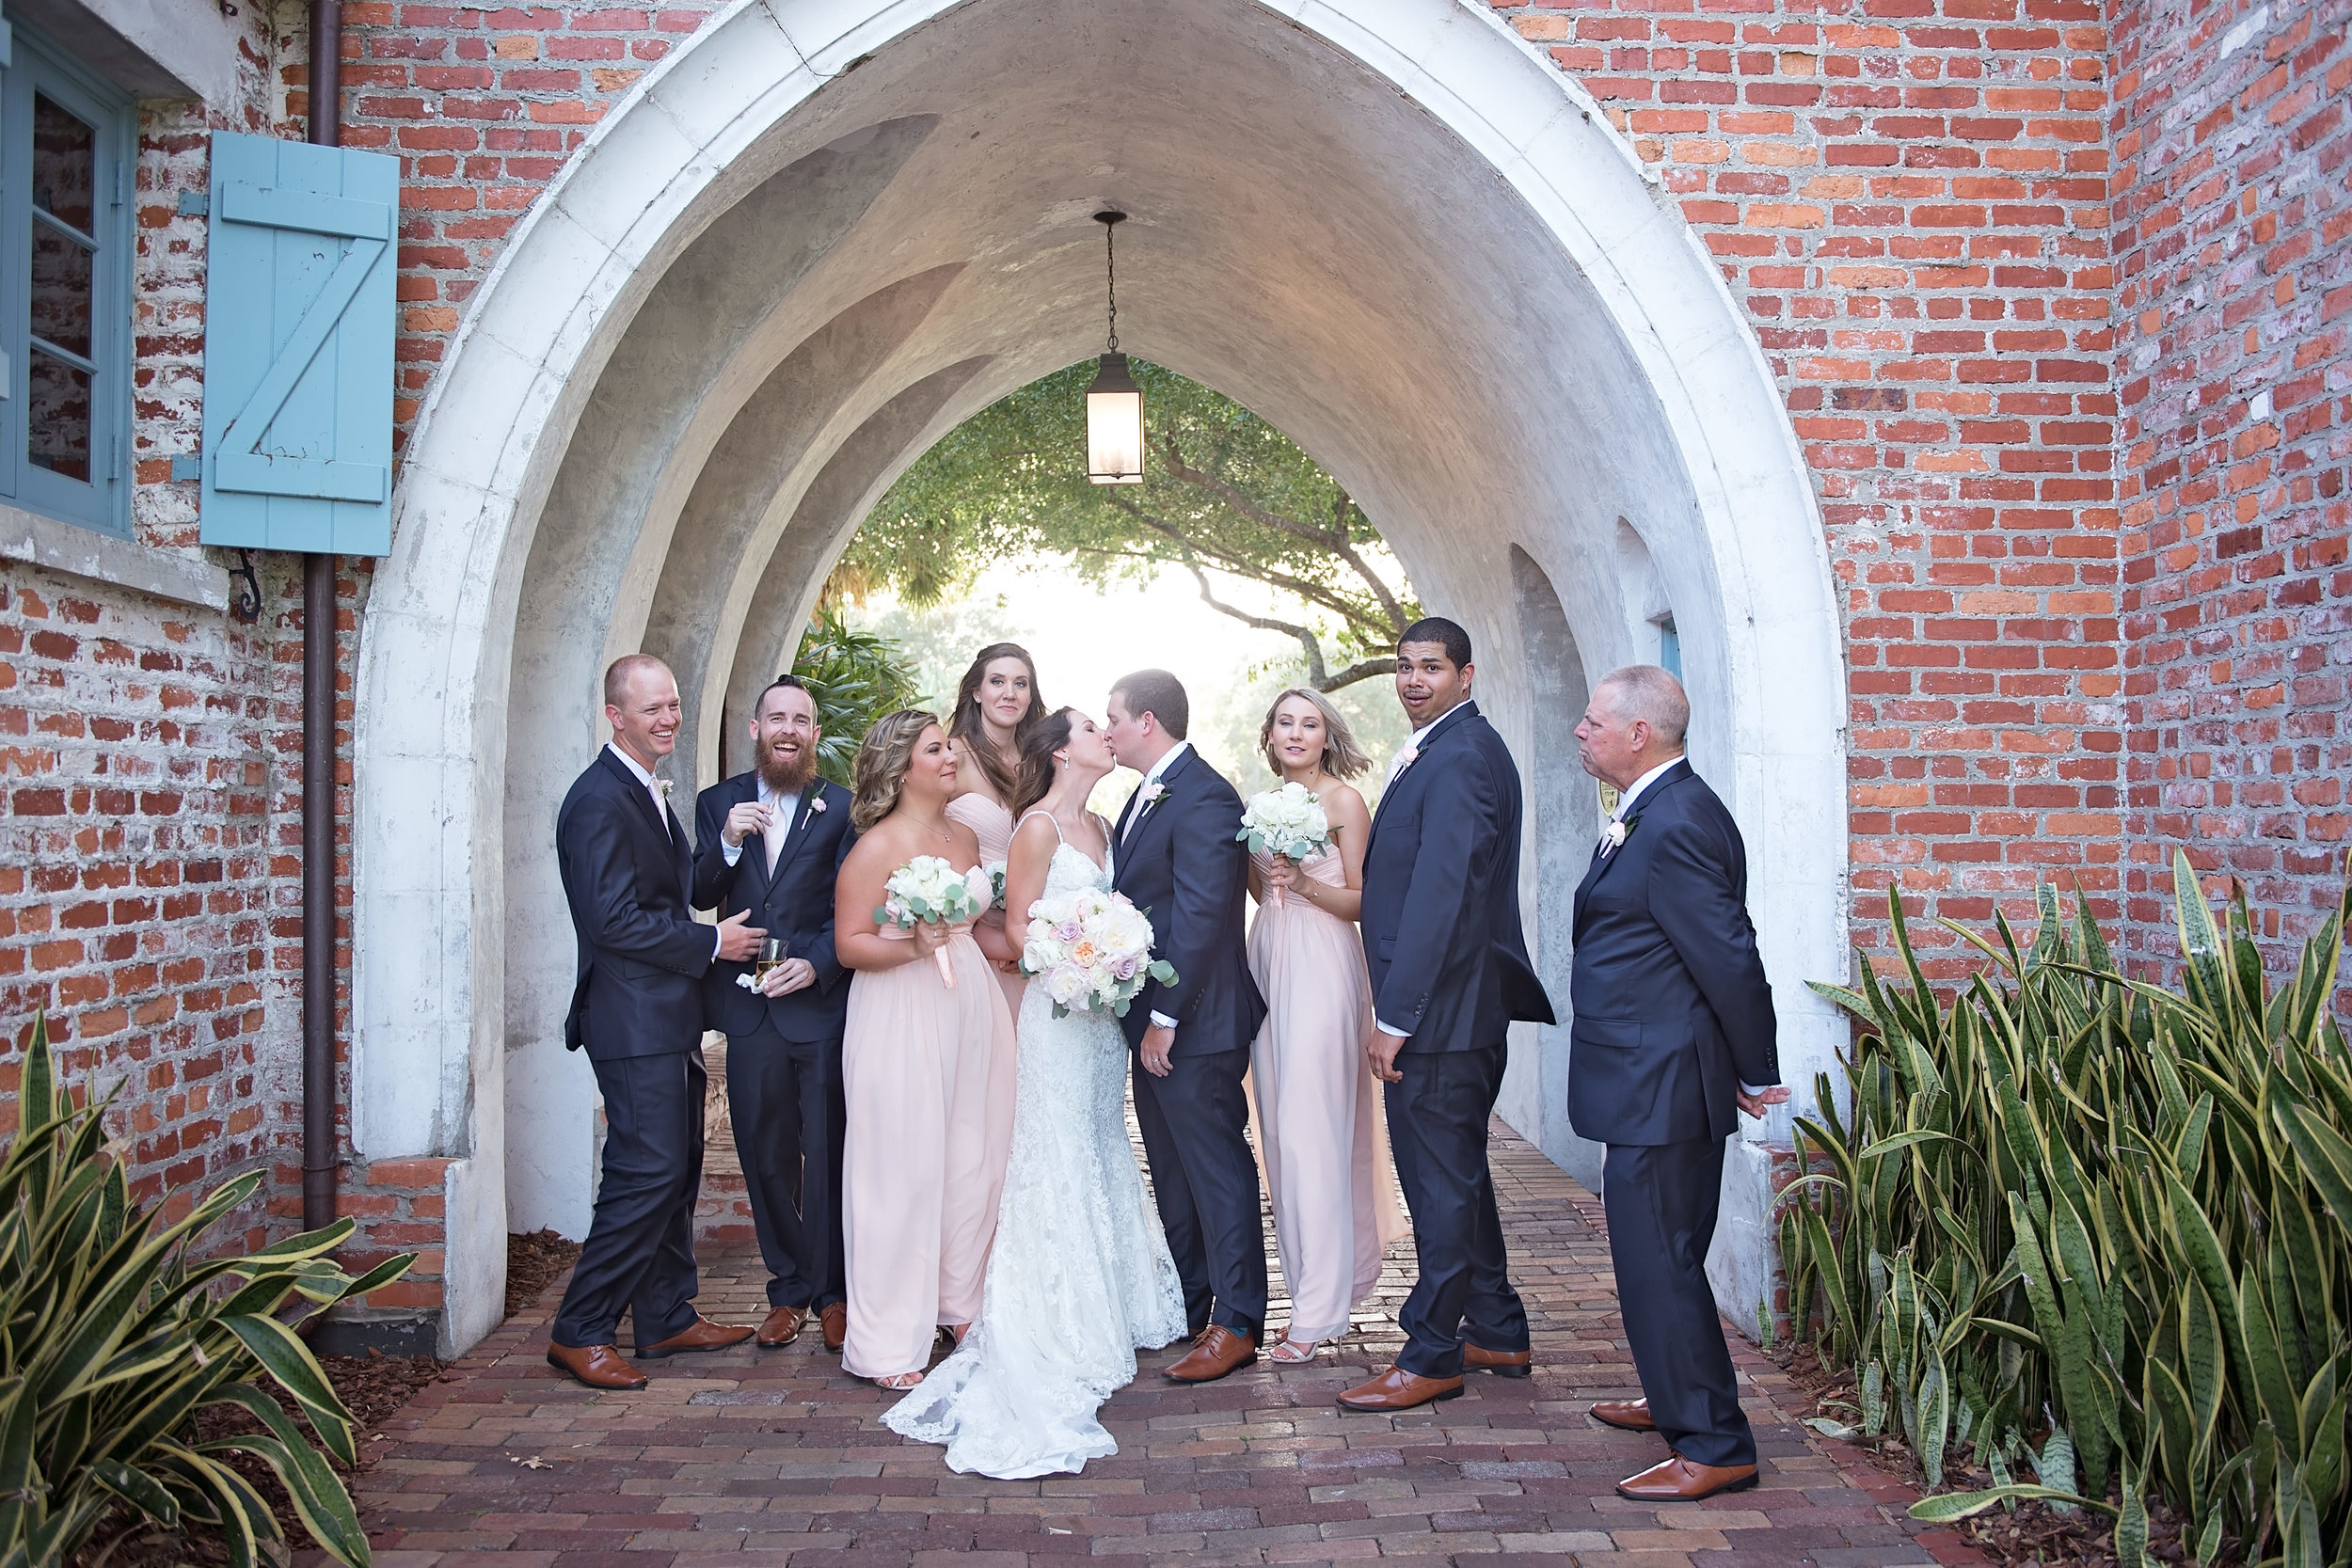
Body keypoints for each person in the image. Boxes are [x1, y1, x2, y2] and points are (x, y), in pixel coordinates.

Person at [883, 707, 1186, 1476]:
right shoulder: (1038, 831)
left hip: (1097, 1025)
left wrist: (1114, 957)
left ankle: (1112, 1302)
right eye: (1092, 727)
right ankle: (1057, 1318)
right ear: (1061, 752)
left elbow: (1115, 914)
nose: (1105, 735)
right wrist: (1082, 961)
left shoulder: (1103, 829)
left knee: (1097, 1142)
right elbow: (1016, 929)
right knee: (1053, 1151)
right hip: (1057, 1016)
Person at [1569, 665, 1788, 1502]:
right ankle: (1674, 1397)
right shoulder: (1650, 809)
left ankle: (1713, 1441)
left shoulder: (1679, 820)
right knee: (1661, 1256)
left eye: (1593, 722)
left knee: (1659, 1261)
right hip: (1645, 1074)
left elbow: (1730, 955)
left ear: (1638, 733)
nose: (1581, 732)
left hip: (1661, 1081)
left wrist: (1755, 1068)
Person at [1338, 619, 1555, 1414]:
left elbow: (1442, 898)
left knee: (1439, 1187)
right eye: (1404, 667)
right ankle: (1495, 1326)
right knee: (1457, 1178)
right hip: (1454, 1011)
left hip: (1442, 1017)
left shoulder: (1461, 757)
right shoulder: (1445, 746)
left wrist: (1396, 1016)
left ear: (1467, 673)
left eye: (1431, 666)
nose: (1413, 679)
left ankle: (1431, 1352)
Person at [547, 654, 761, 1389]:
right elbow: (611, 922)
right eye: (652, 710)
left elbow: (678, 888)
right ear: (615, 716)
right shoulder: (597, 799)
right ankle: (581, 1327)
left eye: (672, 705)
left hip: (668, 1017)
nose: (668, 718)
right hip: (630, 1020)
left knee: (679, 1171)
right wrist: (712, 942)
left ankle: (666, 1315)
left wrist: (726, 842)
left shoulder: (643, 789)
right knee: (648, 1169)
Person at [834, 710, 1018, 1389]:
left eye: (948, 747)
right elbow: (849, 942)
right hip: (899, 1006)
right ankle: (886, 1339)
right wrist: (912, 944)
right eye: (935, 749)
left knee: (973, 1156)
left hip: (969, 1003)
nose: (950, 757)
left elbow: (985, 928)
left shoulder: (966, 835)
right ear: (901, 766)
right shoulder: (877, 846)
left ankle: (959, 1302)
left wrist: (1050, 952)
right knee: (901, 1168)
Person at [1104, 670, 1269, 1382]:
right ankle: (1194, 1303)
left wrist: (1167, 1017)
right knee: (1172, 1172)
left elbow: (1203, 916)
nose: (1105, 730)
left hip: (1196, 1023)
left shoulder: (1204, 794)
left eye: (1112, 717)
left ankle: (1237, 1322)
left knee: (1217, 1170)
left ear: (1146, 721)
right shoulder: (1142, 795)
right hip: (1153, 1020)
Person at [691, 675, 859, 1355]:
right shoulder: (717, 804)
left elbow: (850, 905)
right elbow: (697, 890)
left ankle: (834, 1294)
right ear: (755, 729)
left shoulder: (841, 806)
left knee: (825, 1154)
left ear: (814, 734)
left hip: (817, 1006)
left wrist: (818, 962)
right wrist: (727, 843)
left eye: (801, 719)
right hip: (751, 1009)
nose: (788, 728)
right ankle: (788, 1290)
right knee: (764, 1155)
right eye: (776, 717)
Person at [1242, 689, 1406, 1364]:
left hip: (1325, 962)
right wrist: (1274, 880)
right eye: (1286, 722)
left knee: (1316, 1127)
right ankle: (1308, 1286)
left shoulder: (1342, 802)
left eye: (1310, 723)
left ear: (1327, 735)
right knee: (1278, 1128)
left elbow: (1366, 897)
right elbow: (1259, 890)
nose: (1296, 733)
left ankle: (1318, 1309)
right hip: (1270, 955)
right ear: (1271, 734)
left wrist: (1305, 886)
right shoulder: (1260, 805)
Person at [944, 643, 1045, 1016]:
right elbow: (920, 833)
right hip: (971, 933)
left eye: (1020, 684)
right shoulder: (952, 756)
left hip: (1029, 937)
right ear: (976, 691)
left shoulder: (1040, 765)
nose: (1009, 693)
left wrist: (1029, 943)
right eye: (997, 681)